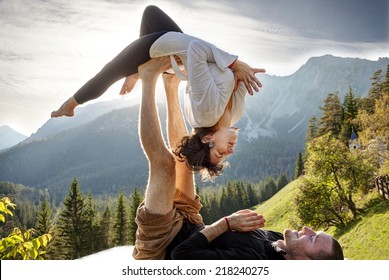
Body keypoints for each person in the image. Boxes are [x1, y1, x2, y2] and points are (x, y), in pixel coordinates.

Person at [133, 57, 344, 260]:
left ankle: (148, 77)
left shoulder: (255, 261)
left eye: (313, 238)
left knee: (165, 165)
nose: (307, 229)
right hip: (191, 222)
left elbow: (182, 255)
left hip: (162, 246)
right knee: (184, 160)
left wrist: (226, 223)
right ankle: (170, 84)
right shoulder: (281, 243)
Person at [51, 5, 265, 181]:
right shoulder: (234, 115)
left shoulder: (207, 113)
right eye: (225, 155)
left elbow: (197, 51)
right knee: (150, 13)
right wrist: (240, 73)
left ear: (208, 138)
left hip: (160, 47)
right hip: (177, 49)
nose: (230, 151)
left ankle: (70, 105)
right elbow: (239, 81)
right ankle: (136, 69)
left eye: (219, 153)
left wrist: (235, 63)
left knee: (109, 72)